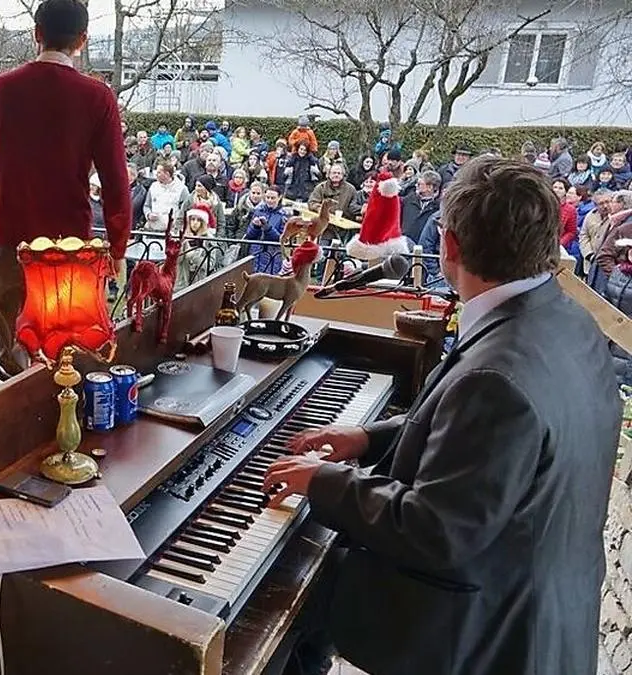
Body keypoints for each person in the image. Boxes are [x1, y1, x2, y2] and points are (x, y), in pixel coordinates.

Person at [264, 157, 619, 675]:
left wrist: (324, 482)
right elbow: (481, 448)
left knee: (290, 599)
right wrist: (367, 437)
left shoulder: (495, 381)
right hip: (544, 602)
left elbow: (435, 530)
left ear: (449, 244)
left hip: (491, 634)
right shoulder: (564, 321)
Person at [0, 0, 130, 374]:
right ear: (82, 40)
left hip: (11, 232)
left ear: (37, 33)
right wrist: (117, 245)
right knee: (66, 341)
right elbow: (115, 178)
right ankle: (63, 418)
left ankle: (10, 420)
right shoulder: (98, 97)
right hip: (68, 241)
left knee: (12, 342)